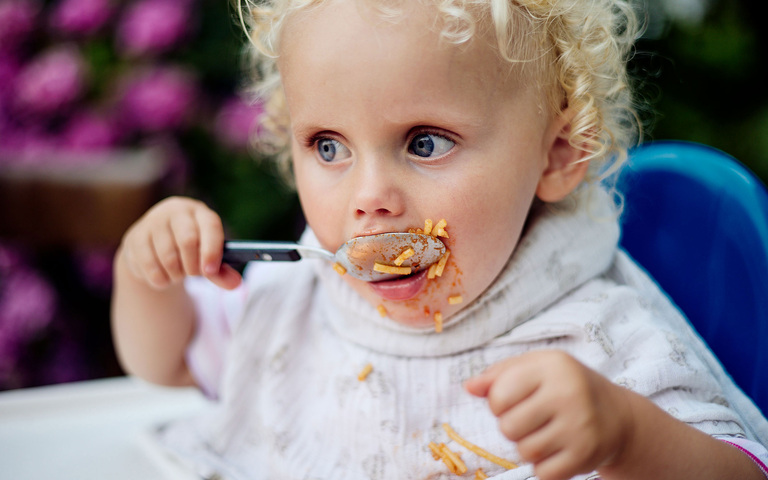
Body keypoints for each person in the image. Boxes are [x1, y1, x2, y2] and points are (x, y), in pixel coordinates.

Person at [111, 0, 768, 479]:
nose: (369, 196)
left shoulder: (597, 333)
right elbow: (164, 360)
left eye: (425, 143)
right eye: (328, 146)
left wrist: (628, 436)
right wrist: (147, 276)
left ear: (557, 155)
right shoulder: (303, 296)